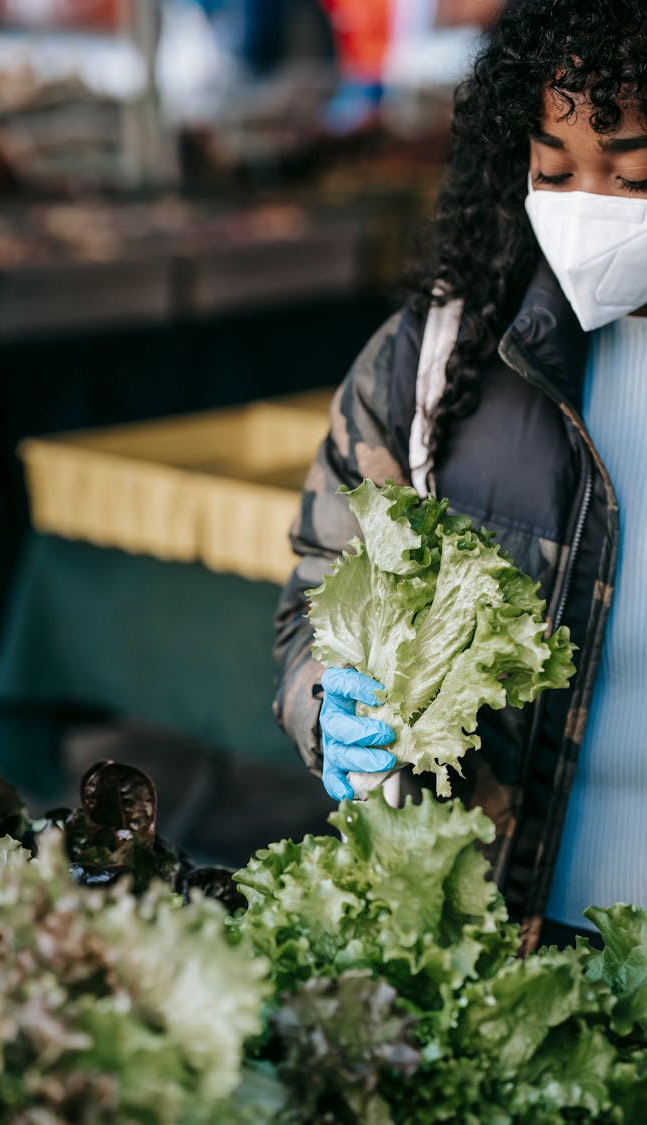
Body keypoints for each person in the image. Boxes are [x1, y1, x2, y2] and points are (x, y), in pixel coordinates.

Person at [273, 0, 647, 954]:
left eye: (633, 173)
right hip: (494, 926)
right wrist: (329, 696)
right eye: (554, 172)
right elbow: (325, 570)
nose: (590, 207)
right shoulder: (436, 359)